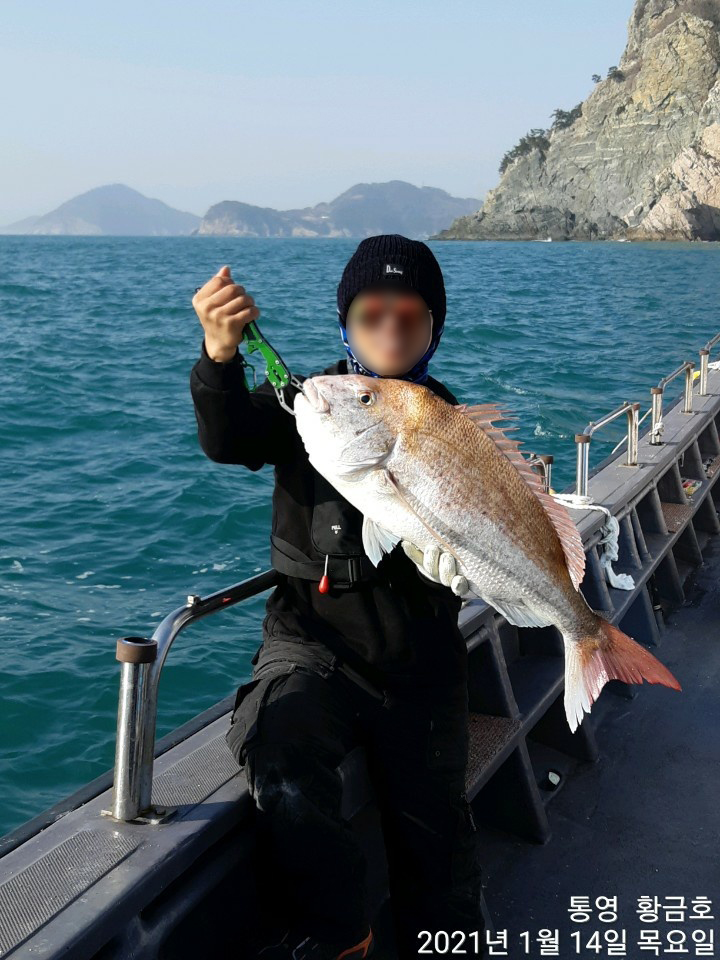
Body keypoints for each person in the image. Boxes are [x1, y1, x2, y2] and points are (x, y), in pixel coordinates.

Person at [189, 235, 486, 960]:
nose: (391, 328)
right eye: (370, 313)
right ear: (346, 324)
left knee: (440, 857)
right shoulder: (314, 401)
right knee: (281, 761)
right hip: (312, 643)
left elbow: (489, 528)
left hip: (421, 659)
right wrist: (220, 355)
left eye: (410, 315)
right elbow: (229, 437)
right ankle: (343, 936)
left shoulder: (451, 427)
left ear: (433, 327)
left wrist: (472, 565)